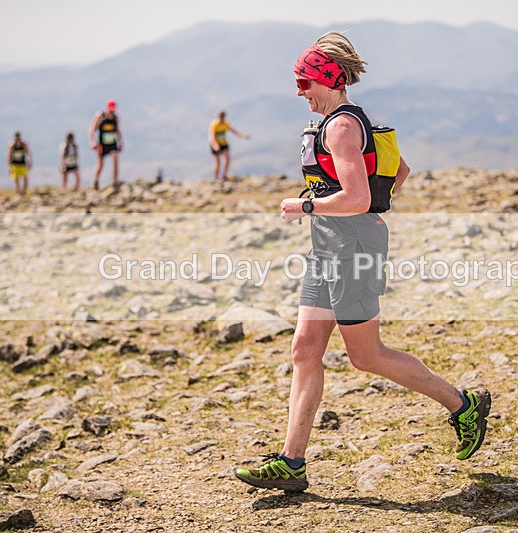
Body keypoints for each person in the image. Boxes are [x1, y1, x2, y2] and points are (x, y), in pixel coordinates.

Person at [234, 32, 491, 492]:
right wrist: (366, 206)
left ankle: (461, 404)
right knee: (305, 349)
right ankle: (292, 462)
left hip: (352, 249)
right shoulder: (339, 122)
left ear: (328, 79)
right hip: (329, 248)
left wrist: (311, 206)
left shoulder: (341, 127)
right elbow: (400, 171)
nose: (299, 92)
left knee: (366, 356)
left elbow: (354, 195)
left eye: (304, 82)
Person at [88, 99, 123, 190]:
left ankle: (115, 181)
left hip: (112, 143)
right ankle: (96, 180)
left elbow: (118, 131)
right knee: (101, 164)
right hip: (102, 144)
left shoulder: (115, 118)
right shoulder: (100, 116)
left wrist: (121, 142)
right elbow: (92, 129)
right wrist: (92, 142)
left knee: (115, 158)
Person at [208, 110, 249, 182]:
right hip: (215, 143)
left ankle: (224, 175)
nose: (222, 119)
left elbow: (233, 130)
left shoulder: (226, 124)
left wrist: (242, 135)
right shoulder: (214, 124)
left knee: (228, 158)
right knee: (218, 162)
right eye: (221, 117)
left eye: (223, 117)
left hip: (224, 143)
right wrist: (215, 145)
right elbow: (212, 136)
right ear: (218, 117)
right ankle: (216, 178)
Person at [7, 131, 31, 196]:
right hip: (15, 165)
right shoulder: (12, 146)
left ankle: (24, 193)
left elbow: (28, 154)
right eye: (16, 139)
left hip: (23, 164)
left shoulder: (24, 145)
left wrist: (29, 163)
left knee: (25, 179)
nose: (17, 140)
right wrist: (9, 166)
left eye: (18, 138)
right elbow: (9, 156)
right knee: (16, 180)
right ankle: (18, 194)